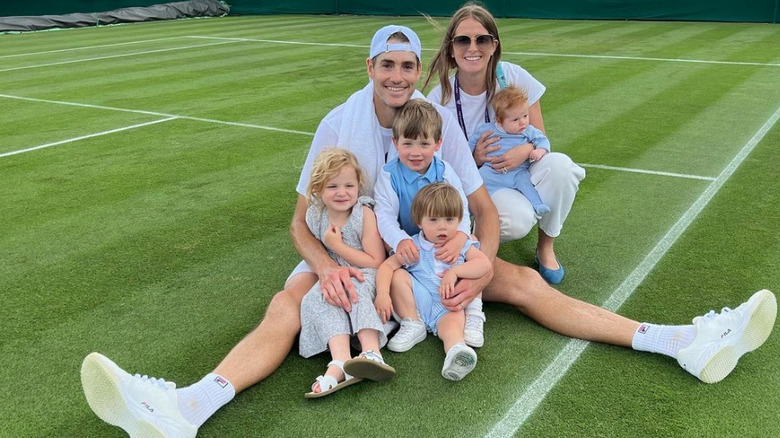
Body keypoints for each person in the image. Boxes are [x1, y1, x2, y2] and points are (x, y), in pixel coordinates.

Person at [79, 22, 777, 438]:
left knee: (525, 283)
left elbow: (476, 201)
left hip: (434, 256)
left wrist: (476, 255)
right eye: (387, 64)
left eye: (408, 65)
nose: (397, 76)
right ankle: (186, 408)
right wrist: (327, 265)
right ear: (370, 68)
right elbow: (299, 220)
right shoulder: (337, 122)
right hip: (348, 253)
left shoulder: (426, 119)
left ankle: (681, 341)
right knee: (284, 308)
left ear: (419, 72)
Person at [425, 2, 586, 284]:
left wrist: (523, 150)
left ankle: (545, 247)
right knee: (517, 220)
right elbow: (438, 168)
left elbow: (539, 136)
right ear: (451, 47)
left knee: (562, 167)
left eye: (482, 39)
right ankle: (474, 241)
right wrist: (474, 158)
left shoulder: (513, 76)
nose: (472, 47)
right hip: (482, 182)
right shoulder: (439, 99)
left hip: (524, 167)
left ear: (494, 45)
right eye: (463, 40)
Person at [373, 98, 487, 351]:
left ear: (438, 144)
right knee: (398, 276)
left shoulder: (444, 170)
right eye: (408, 143)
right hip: (413, 248)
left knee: (472, 259)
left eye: (424, 144)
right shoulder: (389, 175)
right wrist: (400, 240)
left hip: (447, 241)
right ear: (395, 142)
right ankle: (412, 322)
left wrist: (460, 236)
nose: (416, 152)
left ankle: (474, 316)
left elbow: (462, 208)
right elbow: (385, 215)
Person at [297, 148, 395, 398]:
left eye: (349, 185)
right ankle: (340, 360)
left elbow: (375, 261)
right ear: (318, 189)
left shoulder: (363, 214)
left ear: (359, 186)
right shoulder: (315, 215)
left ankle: (372, 352)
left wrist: (337, 246)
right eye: (332, 187)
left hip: (366, 275)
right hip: (336, 274)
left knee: (356, 288)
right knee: (319, 295)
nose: (342, 192)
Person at [376, 182, 492, 381]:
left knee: (452, 329)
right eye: (433, 220)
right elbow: (387, 267)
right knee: (399, 276)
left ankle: (456, 353)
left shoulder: (462, 244)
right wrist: (383, 294)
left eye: (449, 219)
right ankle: (412, 323)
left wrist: (455, 271)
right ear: (419, 222)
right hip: (419, 302)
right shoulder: (412, 245)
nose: (442, 227)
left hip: (447, 305)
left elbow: (484, 265)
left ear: (459, 220)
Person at [469, 85, 552, 217]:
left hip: (518, 172)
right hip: (492, 170)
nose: (523, 122)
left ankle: (538, 205)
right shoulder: (488, 130)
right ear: (499, 121)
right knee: (479, 183)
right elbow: (471, 143)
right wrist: (470, 155)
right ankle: (469, 211)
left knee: (526, 183)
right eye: (515, 119)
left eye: (525, 116)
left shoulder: (528, 130)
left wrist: (540, 150)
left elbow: (542, 140)